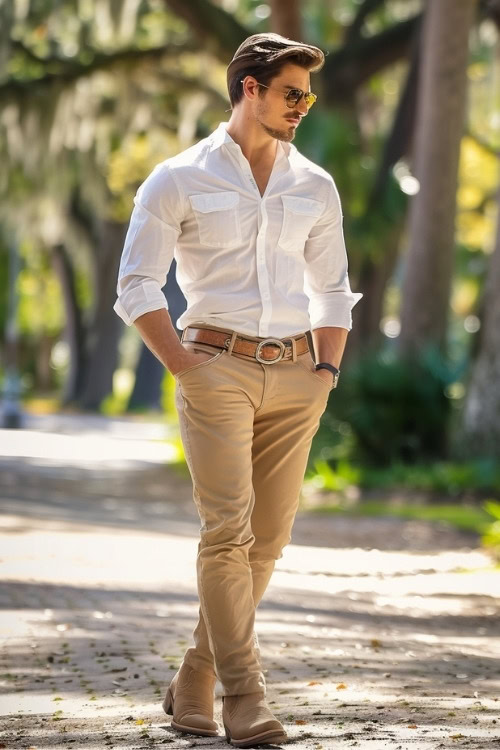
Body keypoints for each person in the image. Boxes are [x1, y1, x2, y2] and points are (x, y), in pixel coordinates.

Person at [113, 32, 362, 749]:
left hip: (297, 376)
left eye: (308, 97)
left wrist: (325, 375)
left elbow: (333, 291)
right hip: (213, 367)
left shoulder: (313, 184)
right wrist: (186, 368)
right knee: (228, 532)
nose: (302, 107)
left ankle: (195, 675)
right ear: (250, 88)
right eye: (292, 93)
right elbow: (135, 286)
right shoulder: (178, 178)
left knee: (269, 541)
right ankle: (244, 696)